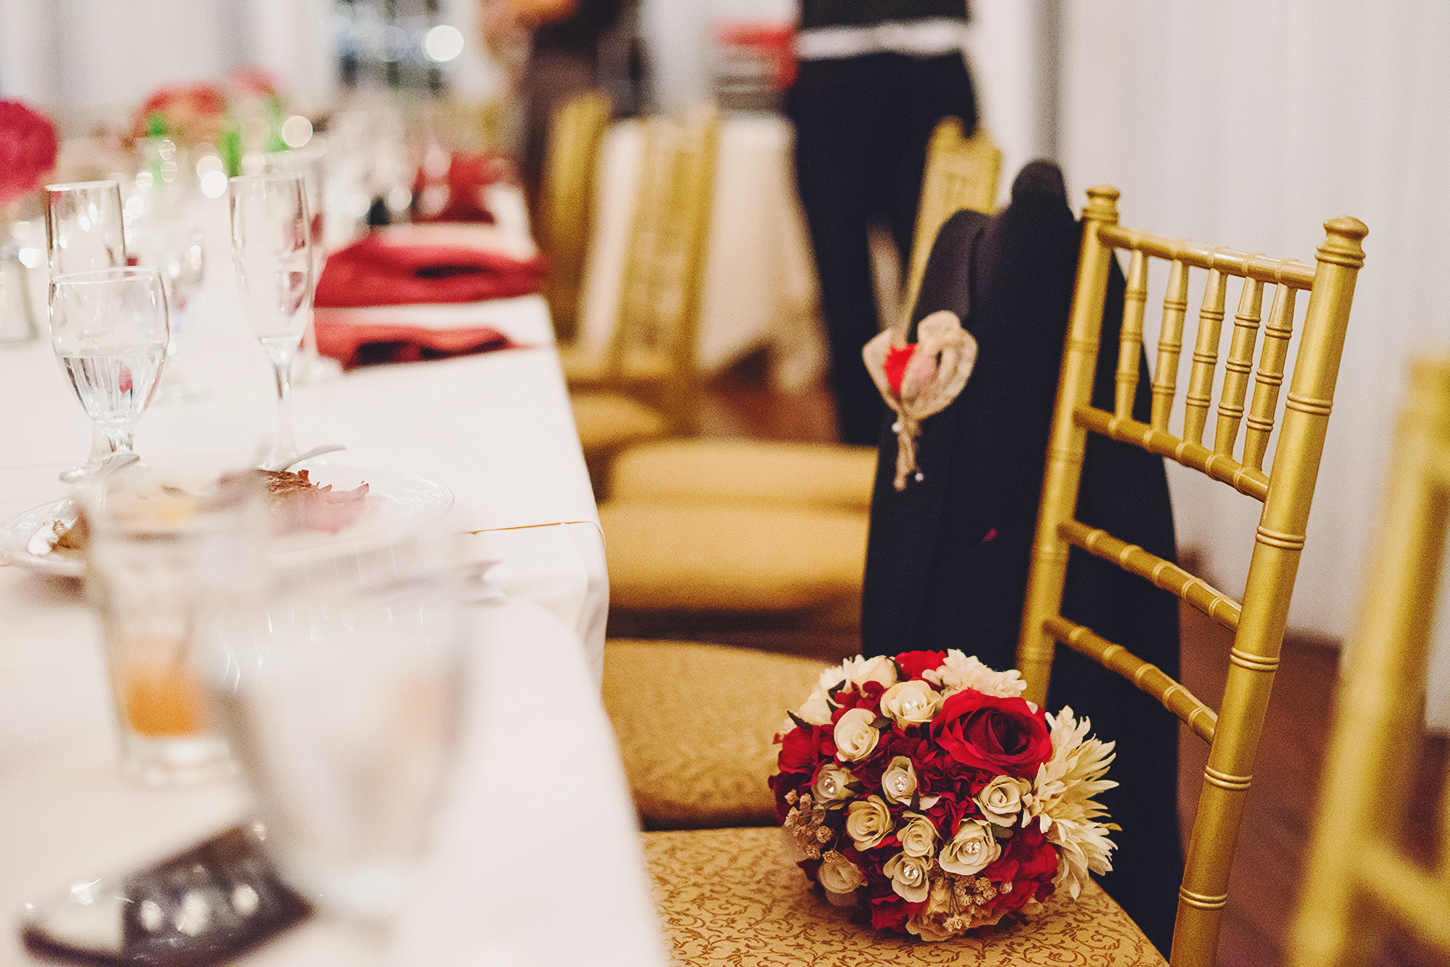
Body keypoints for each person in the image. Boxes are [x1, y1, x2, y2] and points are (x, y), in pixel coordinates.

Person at [785, 0, 978, 445]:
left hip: (925, 51)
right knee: (845, 279)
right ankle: (866, 451)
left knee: (945, 275)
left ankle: (940, 447)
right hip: (841, 58)